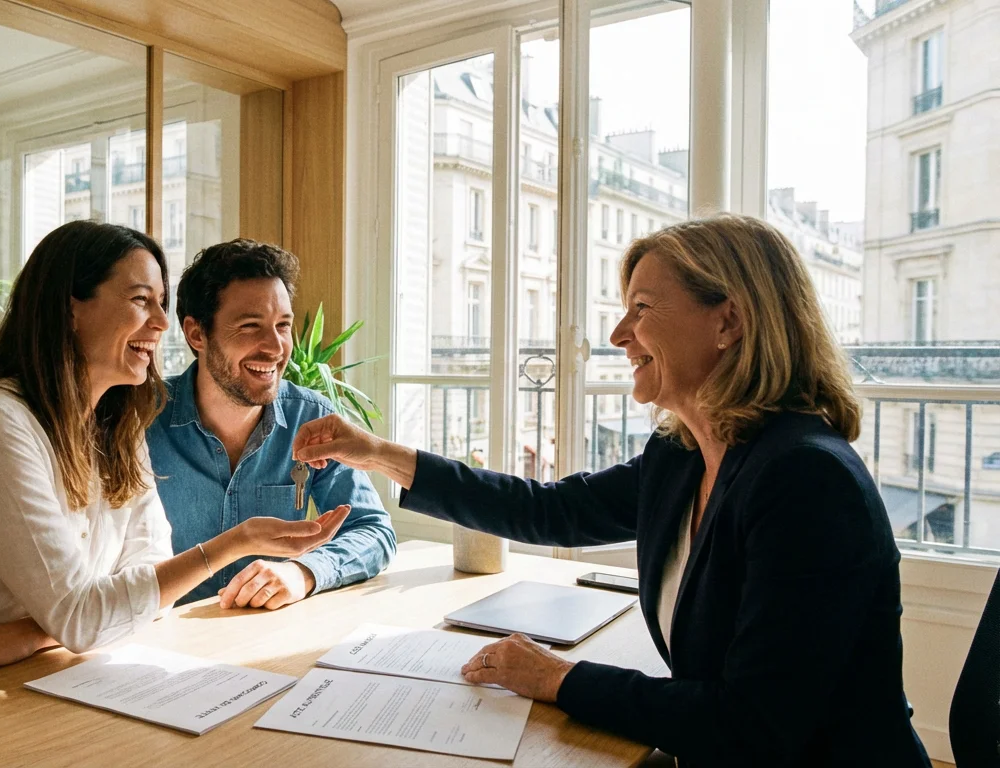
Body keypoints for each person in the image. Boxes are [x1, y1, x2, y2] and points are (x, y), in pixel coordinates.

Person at [291, 214, 930, 767]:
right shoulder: (681, 455)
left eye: (642, 309)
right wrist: (377, 453)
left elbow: (753, 728)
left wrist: (560, 679)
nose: (619, 334)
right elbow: (552, 510)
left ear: (728, 321)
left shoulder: (805, 480)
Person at [0, 236, 394, 682]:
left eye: (284, 325)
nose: (276, 346)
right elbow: (18, 510)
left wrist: (304, 571)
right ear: (198, 334)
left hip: (107, 649)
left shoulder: (121, 417)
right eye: (140, 301)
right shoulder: (114, 415)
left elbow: (109, 557)